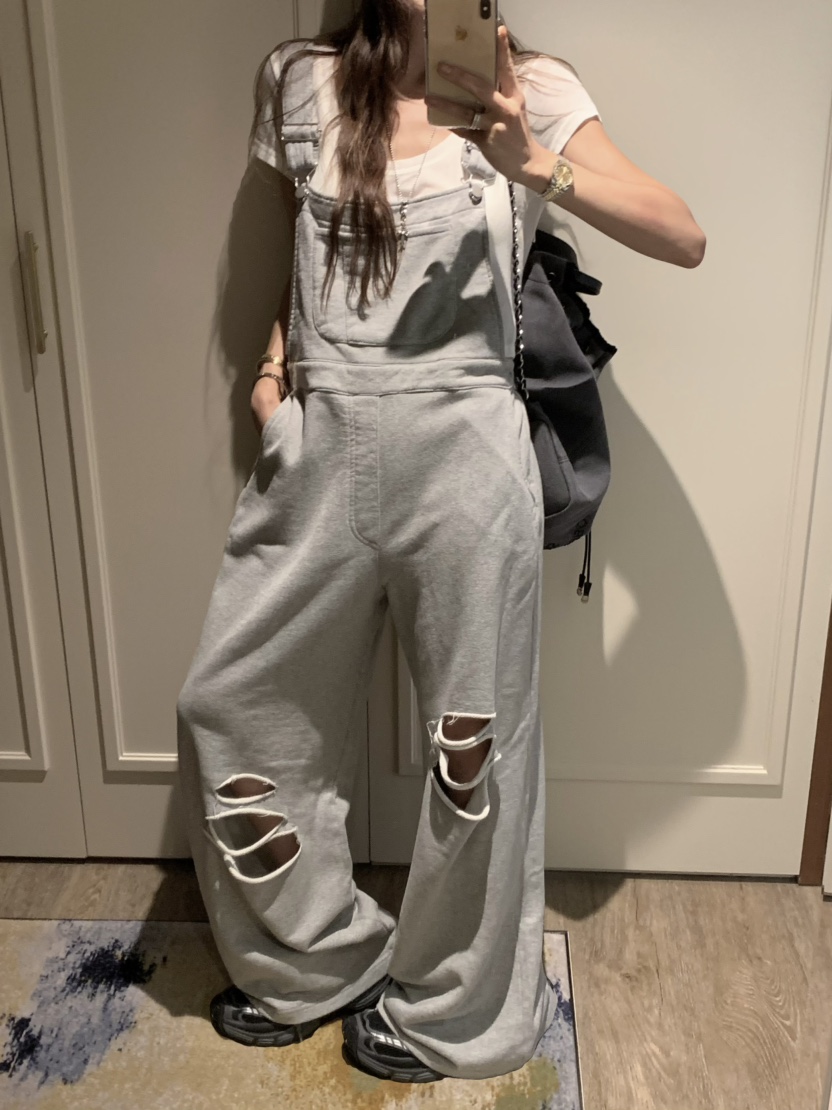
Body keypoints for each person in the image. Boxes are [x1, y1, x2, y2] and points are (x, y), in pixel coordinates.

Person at [175, 0, 705, 1086]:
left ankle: (457, 1011)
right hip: (318, 447)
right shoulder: (300, 79)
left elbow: (681, 234)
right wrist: (272, 379)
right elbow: (299, 255)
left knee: (476, 749)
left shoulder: (531, 89)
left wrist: (534, 164)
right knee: (229, 705)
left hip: (466, 458)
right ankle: (314, 958)